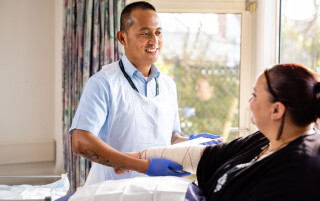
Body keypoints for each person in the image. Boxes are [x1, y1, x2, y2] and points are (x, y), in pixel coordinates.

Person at [115, 63, 320, 201]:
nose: (250, 102)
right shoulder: (267, 139)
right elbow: (210, 155)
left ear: (277, 110)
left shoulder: (297, 170)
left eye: (255, 95)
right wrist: (137, 158)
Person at [70, 1, 221, 185]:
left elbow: (168, 138)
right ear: (122, 38)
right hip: (111, 192)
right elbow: (80, 142)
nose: (154, 40)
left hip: (155, 190)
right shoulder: (103, 83)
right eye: (145, 33)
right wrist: (143, 165)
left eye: (158, 32)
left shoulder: (167, 85)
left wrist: (192, 143)